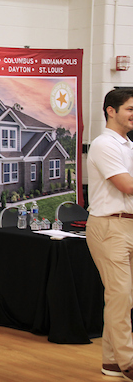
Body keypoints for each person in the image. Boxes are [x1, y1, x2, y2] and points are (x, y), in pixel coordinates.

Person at [87, 88, 133, 380]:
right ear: (111, 110)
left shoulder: (128, 145)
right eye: (130, 109)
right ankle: (129, 361)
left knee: (122, 298)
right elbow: (126, 185)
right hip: (109, 226)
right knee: (121, 295)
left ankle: (113, 360)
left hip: (127, 224)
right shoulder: (105, 144)